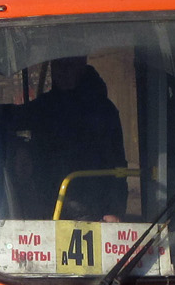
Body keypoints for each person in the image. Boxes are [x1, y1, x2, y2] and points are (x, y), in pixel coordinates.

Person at [23, 56, 128, 220]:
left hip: (94, 207)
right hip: (47, 206)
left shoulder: (102, 110)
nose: (62, 71)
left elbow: (117, 163)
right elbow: (12, 119)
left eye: (69, 65)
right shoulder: (44, 107)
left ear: (81, 65)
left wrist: (114, 210)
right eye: (58, 65)